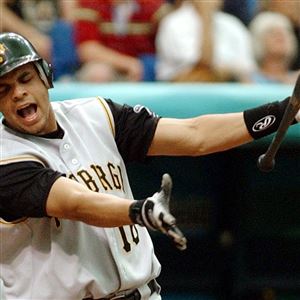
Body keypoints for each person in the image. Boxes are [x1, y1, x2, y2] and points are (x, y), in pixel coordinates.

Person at [0, 32, 300, 299]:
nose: (18, 93)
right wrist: (137, 210)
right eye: (4, 89)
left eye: (25, 79)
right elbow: (75, 202)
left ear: (45, 78)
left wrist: (282, 112)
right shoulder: (6, 155)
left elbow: (193, 135)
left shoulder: (95, 114)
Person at [155, 0, 257, 82]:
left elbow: (247, 69)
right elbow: (204, 64)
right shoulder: (173, 23)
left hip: (227, 87)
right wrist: (206, 15)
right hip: (183, 90)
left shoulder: (232, 24)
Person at [73, 0, 172, 82]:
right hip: (108, 66)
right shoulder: (91, 3)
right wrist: (129, 64)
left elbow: (172, 39)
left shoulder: (153, 5)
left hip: (146, 68)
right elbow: (88, 50)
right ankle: (102, 105)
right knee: (98, 73)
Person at [243, 11, 299, 84]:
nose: (280, 36)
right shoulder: (246, 80)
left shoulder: (297, 79)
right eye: (272, 33)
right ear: (258, 40)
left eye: (284, 32)